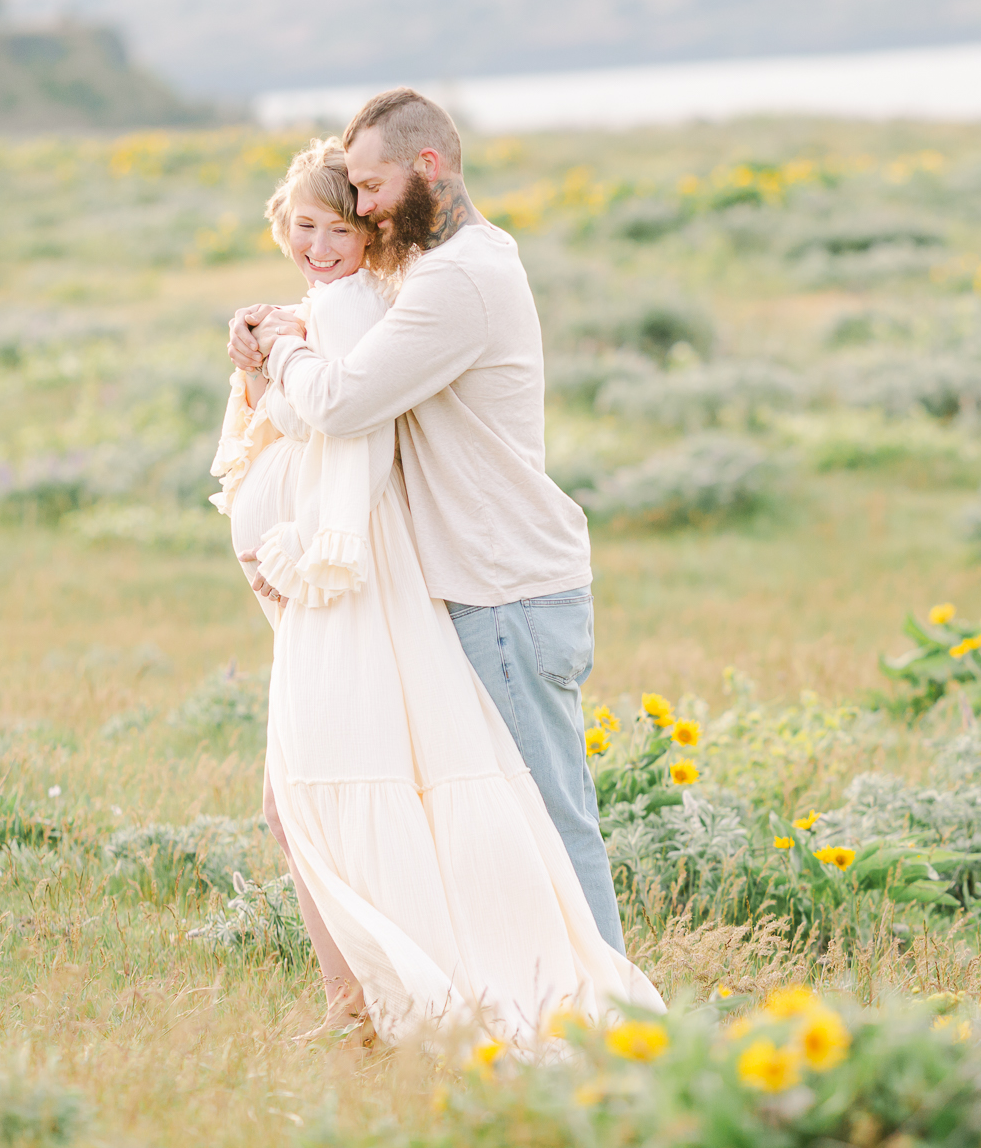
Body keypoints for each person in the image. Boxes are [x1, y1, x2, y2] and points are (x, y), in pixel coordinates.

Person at [215, 137, 659, 1045]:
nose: (358, 221)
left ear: (424, 166)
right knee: (501, 810)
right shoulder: (416, 277)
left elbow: (341, 411)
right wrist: (271, 346)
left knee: (532, 817)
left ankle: (592, 1017)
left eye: (362, 203)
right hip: (439, 578)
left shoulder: (442, 283)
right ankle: (387, 1000)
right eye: (315, 220)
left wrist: (286, 350)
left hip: (480, 586)